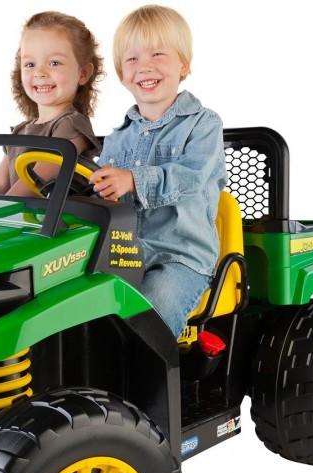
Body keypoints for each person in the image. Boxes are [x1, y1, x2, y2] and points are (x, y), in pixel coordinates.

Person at [89, 5, 227, 338]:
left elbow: (191, 178)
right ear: (122, 74)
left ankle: (147, 385)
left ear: (183, 64)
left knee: (152, 312)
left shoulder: (204, 124)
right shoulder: (116, 139)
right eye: (132, 59)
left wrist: (133, 180)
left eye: (158, 54)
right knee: (83, 311)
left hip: (179, 257)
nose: (144, 66)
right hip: (123, 253)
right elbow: (100, 194)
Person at [0, 11, 102, 196]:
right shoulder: (20, 132)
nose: (40, 73)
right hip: (20, 221)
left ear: (83, 73)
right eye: (30, 64)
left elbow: (35, 183)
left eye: (54, 63)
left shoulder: (72, 126)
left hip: (58, 223)